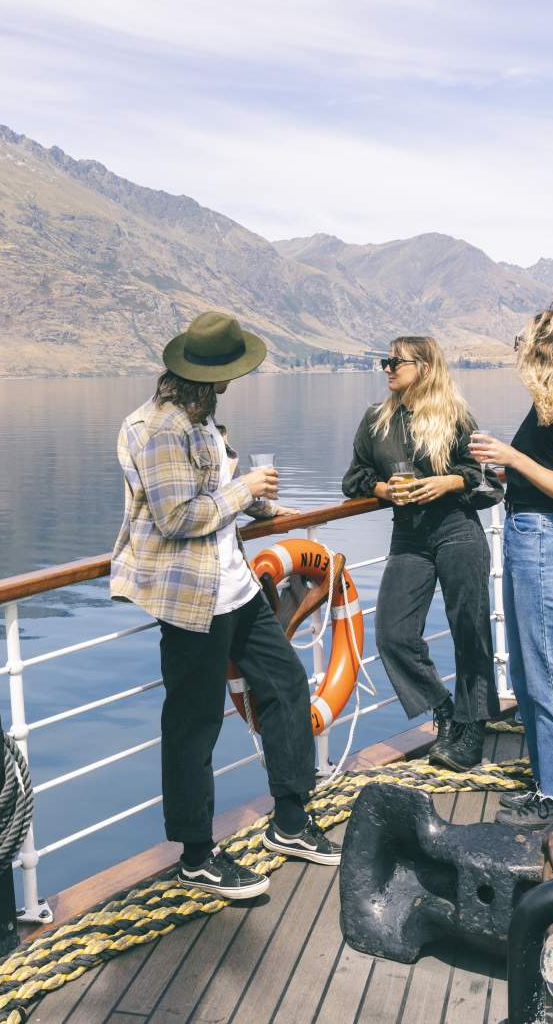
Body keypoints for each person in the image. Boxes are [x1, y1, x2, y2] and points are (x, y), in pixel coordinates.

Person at [111, 311, 341, 901]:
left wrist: (258, 508)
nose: (233, 384)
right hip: (191, 600)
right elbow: (177, 516)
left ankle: (289, 822)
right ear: (205, 376)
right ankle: (194, 858)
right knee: (194, 725)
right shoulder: (161, 430)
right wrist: (244, 490)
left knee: (287, 684)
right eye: (228, 375)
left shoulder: (201, 418)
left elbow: (212, 497)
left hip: (234, 589)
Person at [342, 336, 502, 771]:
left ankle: (472, 730)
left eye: (397, 361)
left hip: (457, 530)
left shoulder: (454, 417)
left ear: (426, 368)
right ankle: (445, 711)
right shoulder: (376, 420)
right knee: (392, 634)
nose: (388, 368)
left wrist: (445, 482)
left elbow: (484, 479)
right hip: (409, 539)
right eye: (385, 361)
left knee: (469, 630)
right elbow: (354, 477)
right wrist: (382, 489)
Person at [470, 309, 553, 827]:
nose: (519, 346)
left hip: (543, 543)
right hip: (529, 538)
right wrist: (509, 465)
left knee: (548, 678)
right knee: (528, 676)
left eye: (525, 339)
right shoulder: (549, 409)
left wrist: (515, 460)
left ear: (547, 350)